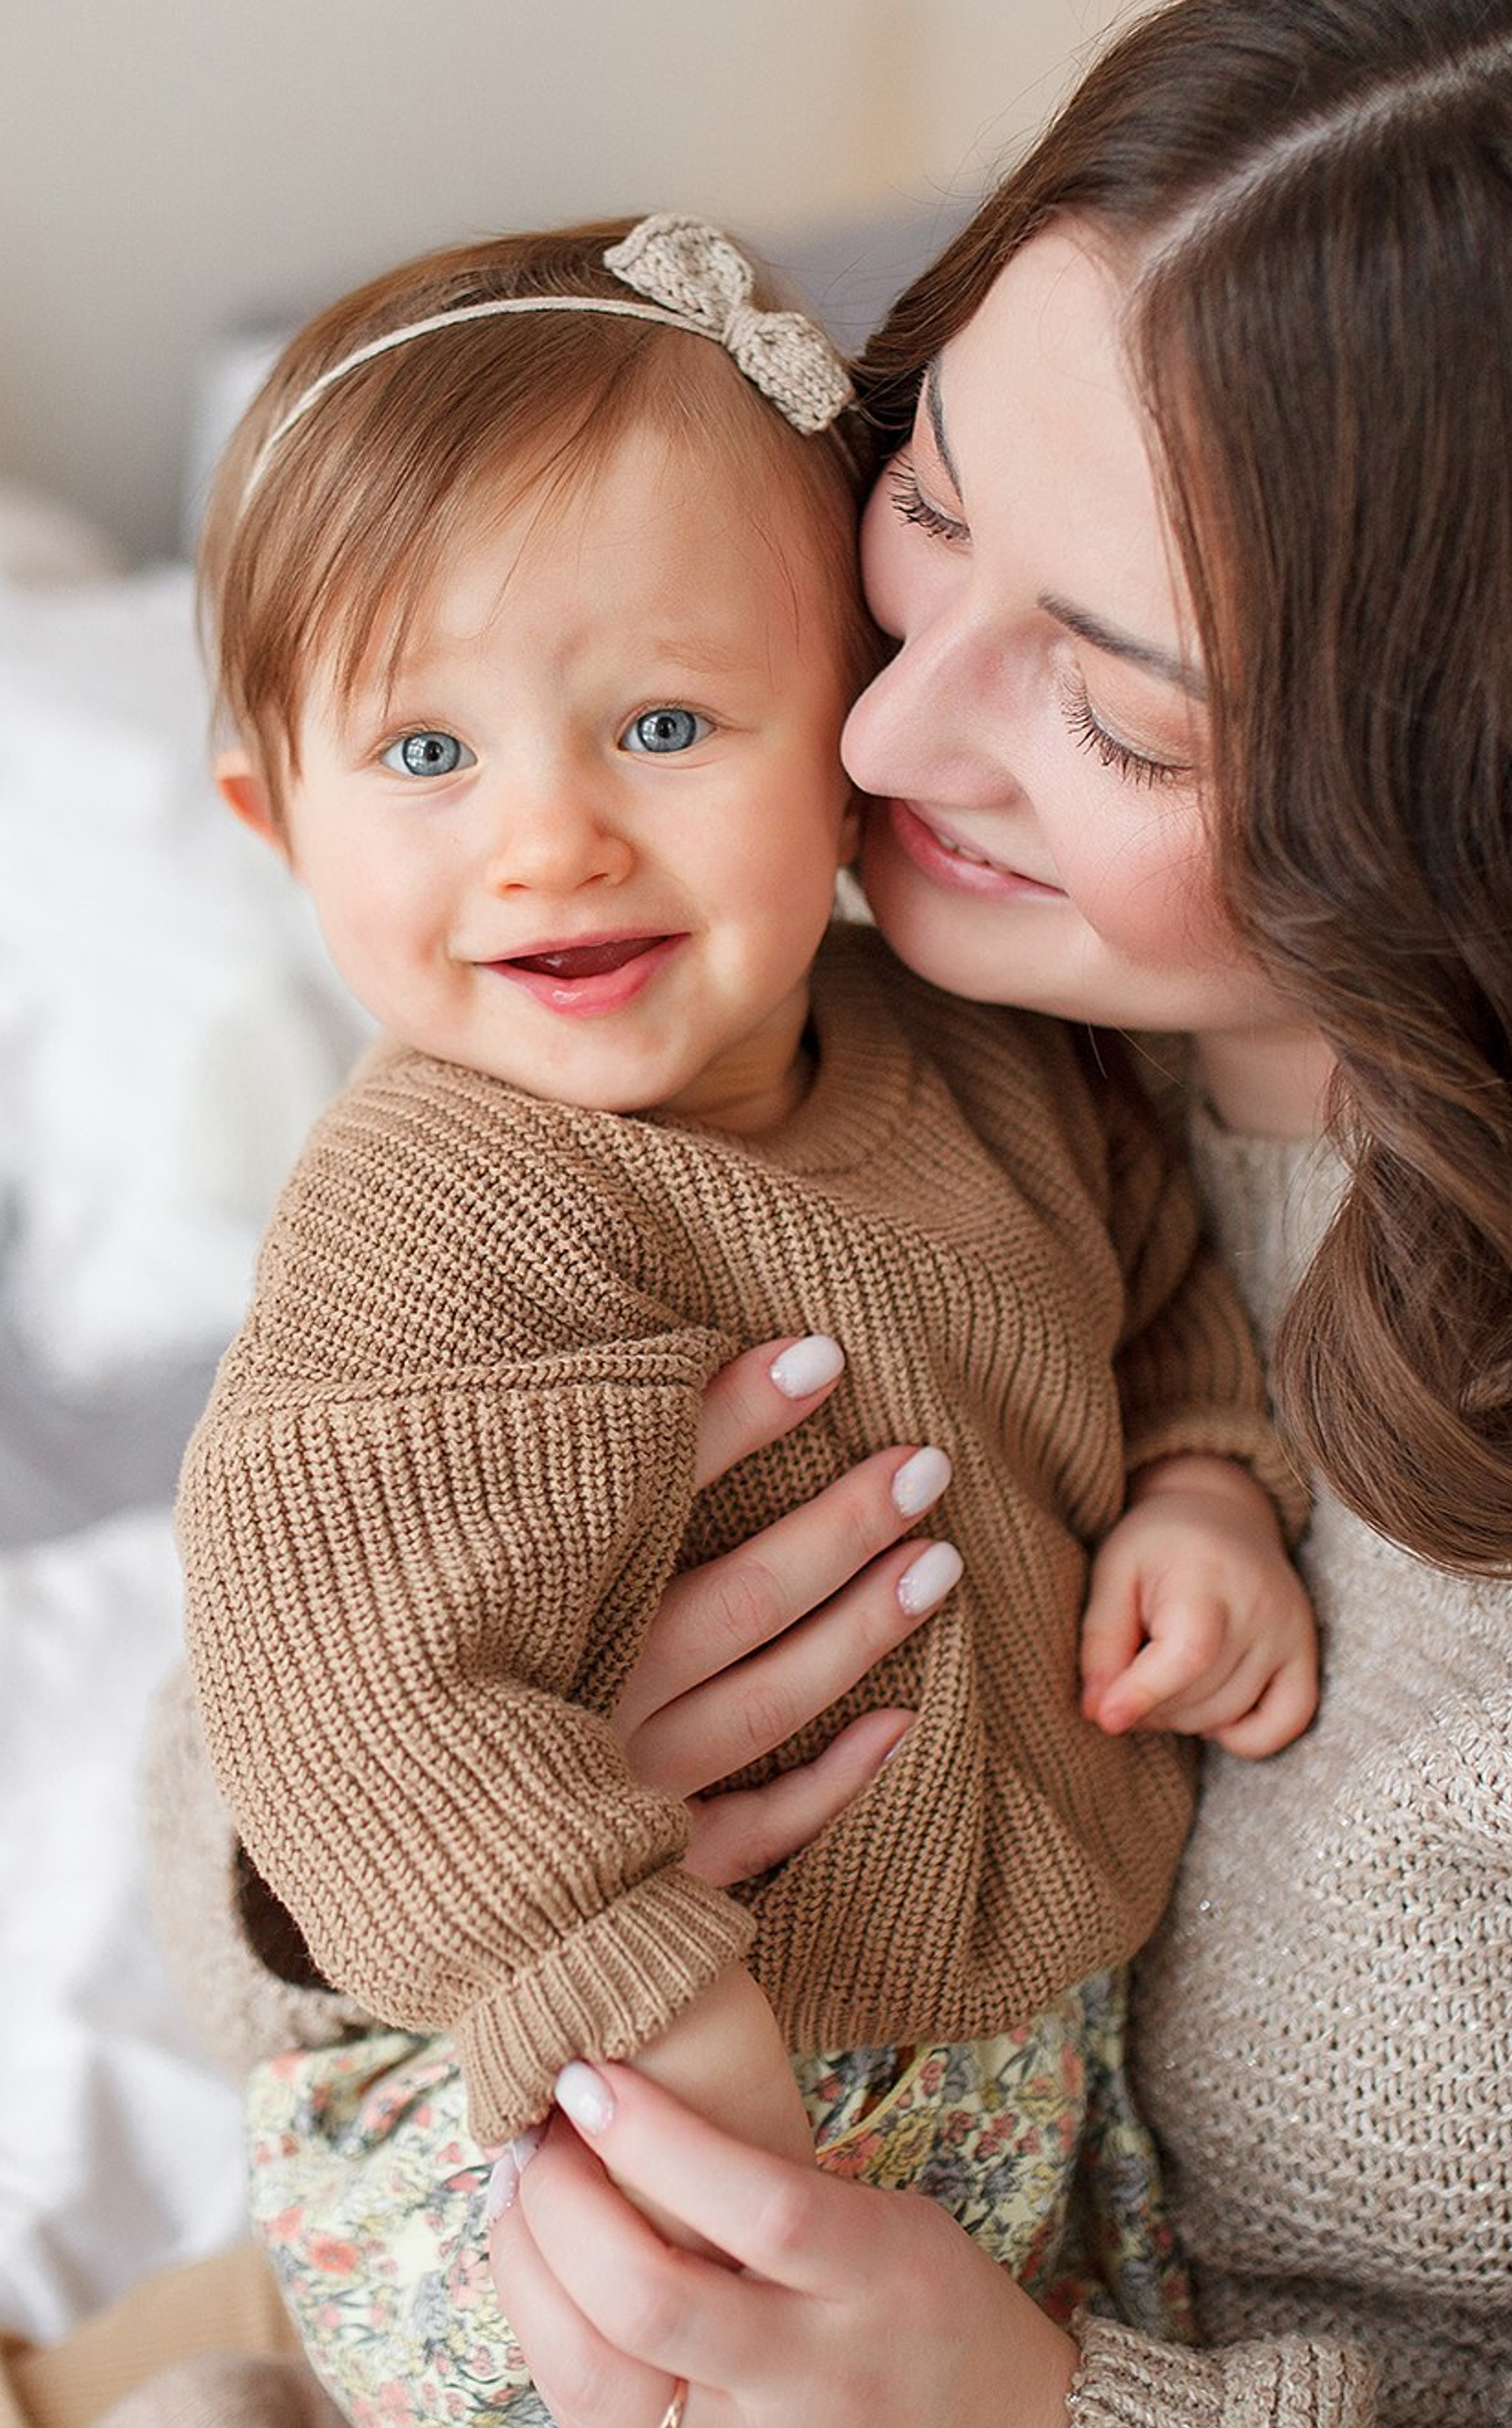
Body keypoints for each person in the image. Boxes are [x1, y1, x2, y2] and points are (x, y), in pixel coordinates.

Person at [470, 0, 1512, 2423]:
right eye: (926, 496)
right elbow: (242, 1689)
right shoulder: (835, 1001)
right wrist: (491, 1828)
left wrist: (1054, 2415)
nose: (873, 727)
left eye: (1109, 701)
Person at [161, 211, 1317, 2425]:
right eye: (422, 757)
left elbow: (1148, 1272)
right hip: (605, 2093)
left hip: (1000, 2058)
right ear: (271, 819)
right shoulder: (443, 1209)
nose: (547, 842)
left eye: (664, 720)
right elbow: (343, 1684)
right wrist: (615, 1984)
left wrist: (1198, 1481)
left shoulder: (991, 1058)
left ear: (852, 760)